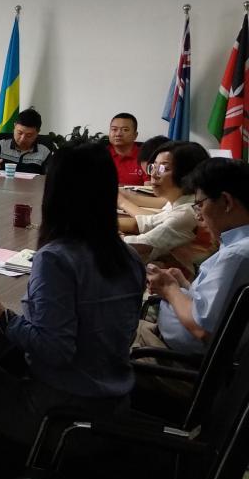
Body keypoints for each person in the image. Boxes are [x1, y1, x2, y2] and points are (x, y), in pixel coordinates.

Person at [0, 143, 145, 479]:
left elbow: (54, 349)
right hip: (115, 404)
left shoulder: (57, 258)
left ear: (55, 193)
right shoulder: (128, 255)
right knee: (1, 367)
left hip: (65, 415)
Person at [136, 158, 249, 357]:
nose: (198, 215)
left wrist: (169, 288)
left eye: (200, 205)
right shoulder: (237, 246)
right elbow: (216, 308)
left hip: (181, 362)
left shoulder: (237, 255)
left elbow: (203, 328)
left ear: (226, 202)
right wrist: (183, 285)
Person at [119, 142, 213, 270]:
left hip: (182, 277)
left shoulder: (188, 211)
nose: (153, 174)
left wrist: (110, 236)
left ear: (187, 174)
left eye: (164, 168)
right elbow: (148, 222)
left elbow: (142, 245)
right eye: (154, 167)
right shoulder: (179, 201)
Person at [0, 107, 52, 174]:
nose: (22, 139)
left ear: (37, 133)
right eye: (19, 133)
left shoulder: (44, 152)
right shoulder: (1, 145)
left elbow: (50, 177)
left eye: (29, 135)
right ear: (14, 127)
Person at [107, 112, 143, 186]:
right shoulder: (99, 156)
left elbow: (150, 189)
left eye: (125, 130)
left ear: (135, 135)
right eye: (114, 129)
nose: (118, 134)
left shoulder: (145, 157)